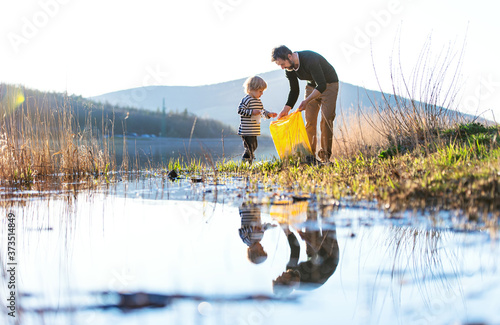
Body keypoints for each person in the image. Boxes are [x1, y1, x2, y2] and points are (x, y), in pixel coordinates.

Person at [271, 45, 339, 163]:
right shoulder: (289, 69)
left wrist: (306, 101)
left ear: (289, 56)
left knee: (326, 120)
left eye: (282, 64)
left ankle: (325, 158)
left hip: (329, 85)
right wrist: (286, 109)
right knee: (310, 122)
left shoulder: (309, 59)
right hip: (312, 86)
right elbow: (294, 90)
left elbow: (322, 84)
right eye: (280, 65)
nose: (282, 68)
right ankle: (309, 157)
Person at [237, 75, 277, 163]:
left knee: (254, 146)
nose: (262, 93)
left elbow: (261, 111)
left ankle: (249, 162)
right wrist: (251, 112)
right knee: (250, 147)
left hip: (254, 129)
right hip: (246, 130)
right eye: (260, 91)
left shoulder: (258, 101)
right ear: (252, 89)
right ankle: (245, 162)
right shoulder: (247, 99)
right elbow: (240, 110)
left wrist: (269, 114)